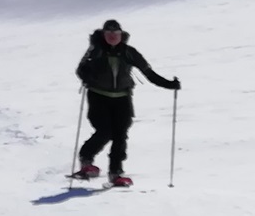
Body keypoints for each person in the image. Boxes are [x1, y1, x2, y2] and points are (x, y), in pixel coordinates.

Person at [72, 18, 179, 186]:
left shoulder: (129, 52)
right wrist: (86, 75)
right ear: (104, 34)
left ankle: (116, 172)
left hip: (122, 98)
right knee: (105, 131)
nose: (113, 36)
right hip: (98, 96)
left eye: (116, 33)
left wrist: (168, 84)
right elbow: (81, 69)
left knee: (120, 134)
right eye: (109, 33)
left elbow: (148, 72)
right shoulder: (95, 50)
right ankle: (86, 159)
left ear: (121, 35)